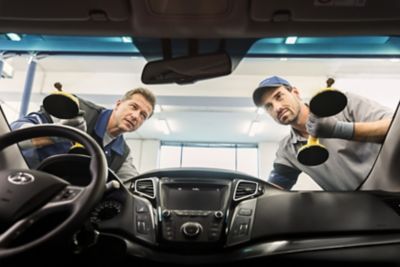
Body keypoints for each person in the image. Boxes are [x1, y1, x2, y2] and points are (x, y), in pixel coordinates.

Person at [252, 76, 393, 191]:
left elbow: (395, 127)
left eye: (279, 96)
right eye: (268, 106)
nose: (276, 108)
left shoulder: (346, 104)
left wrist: (339, 130)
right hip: (362, 211)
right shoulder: (287, 150)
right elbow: (273, 189)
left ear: (295, 92)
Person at [11, 87, 156, 181]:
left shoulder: (122, 154)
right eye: (133, 107)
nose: (136, 116)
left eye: (143, 115)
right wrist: (58, 133)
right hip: (23, 180)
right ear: (118, 104)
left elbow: (133, 185)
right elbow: (15, 134)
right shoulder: (75, 109)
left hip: (67, 205)